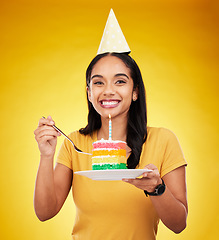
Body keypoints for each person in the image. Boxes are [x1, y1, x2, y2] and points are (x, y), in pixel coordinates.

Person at [34, 52, 188, 240]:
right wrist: (46, 155)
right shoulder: (74, 143)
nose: (108, 90)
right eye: (98, 82)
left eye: (120, 81)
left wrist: (157, 188)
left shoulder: (163, 140)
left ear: (135, 91)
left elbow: (179, 224)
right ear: (89, 93)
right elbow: (45, 213)